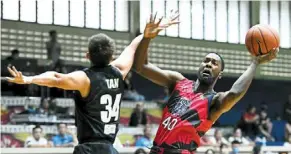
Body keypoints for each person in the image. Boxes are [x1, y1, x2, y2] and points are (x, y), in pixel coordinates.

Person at [5, 13, 177, 154]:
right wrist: (147, 35)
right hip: (110, 147)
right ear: (112, 55)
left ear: (87, 55)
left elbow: (56, 78)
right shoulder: (120, 72)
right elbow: (132, 48)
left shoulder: (84, 79)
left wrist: (28, 79)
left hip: (89, 148)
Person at [133, 11, 278, 154]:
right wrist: (146, 38)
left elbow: (234, 94)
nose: (208, 64)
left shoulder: (214, 101)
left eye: (214, 63)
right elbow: (141, 67)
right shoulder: (178, 82)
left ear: (220, 74)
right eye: (206, 61)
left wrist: (254, 63)